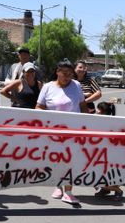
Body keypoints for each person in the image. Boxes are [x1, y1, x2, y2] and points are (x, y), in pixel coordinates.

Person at [36, 58, 88, 205]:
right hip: (53, 133)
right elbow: (39, 107)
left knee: (71, 161)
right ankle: (57, 186)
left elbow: (83, 106)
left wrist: (89, 123)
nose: (67, 77)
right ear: (57, 72)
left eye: (70, 74)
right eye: (64, 73)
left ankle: (69, 192)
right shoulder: (47, 87)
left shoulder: (76, 85)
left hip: (73, 132)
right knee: (56, 159)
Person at [93, 101, 124, 199]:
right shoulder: (99, 120)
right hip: (100, 154)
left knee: (98, 177)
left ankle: (117, 190)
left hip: (106, 155)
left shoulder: (109, 123)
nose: (96, 111)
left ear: (102, 111)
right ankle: (105, 190)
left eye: (98, 109)